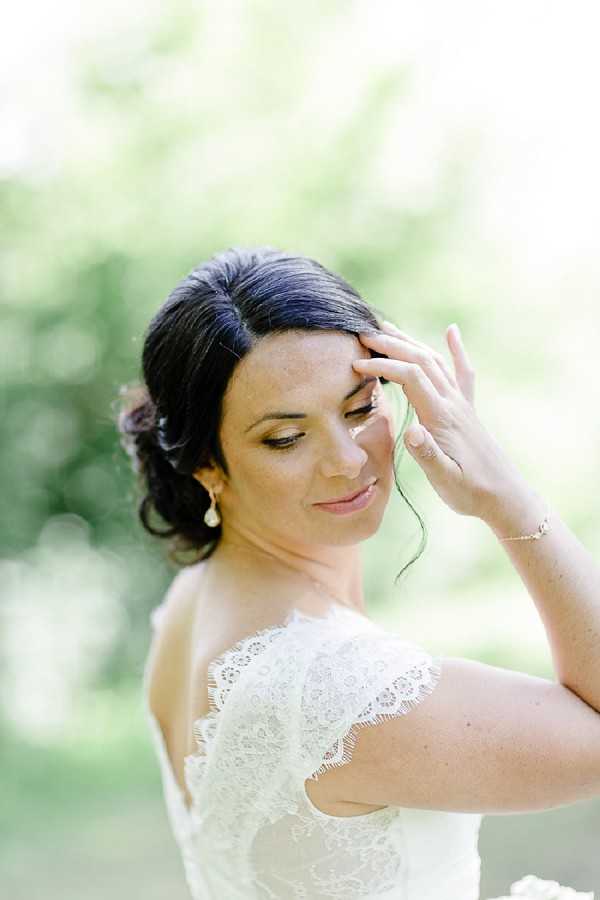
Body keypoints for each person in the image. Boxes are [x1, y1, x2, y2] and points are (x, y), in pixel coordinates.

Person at [117, 246, 599, 900]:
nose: (347, 461)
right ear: (206, 464)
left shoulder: (193, 600)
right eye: (286, 438)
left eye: (360, 406)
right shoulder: (341, 690)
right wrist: (504, 494)